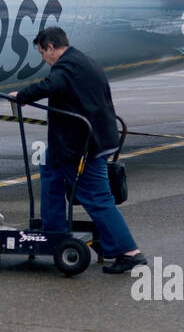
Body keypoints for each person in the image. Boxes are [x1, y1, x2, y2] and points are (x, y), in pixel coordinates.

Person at [9, 26, 144, 274]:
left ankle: (129, 252)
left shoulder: (66, 68)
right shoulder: (81, 60)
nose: (43, 58)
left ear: (51, 47)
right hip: (87, 139)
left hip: (84, 145)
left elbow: (49, 85)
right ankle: (54, 231)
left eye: (42, 52)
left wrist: (22, 96)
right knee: (49, 167)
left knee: (98, 199)